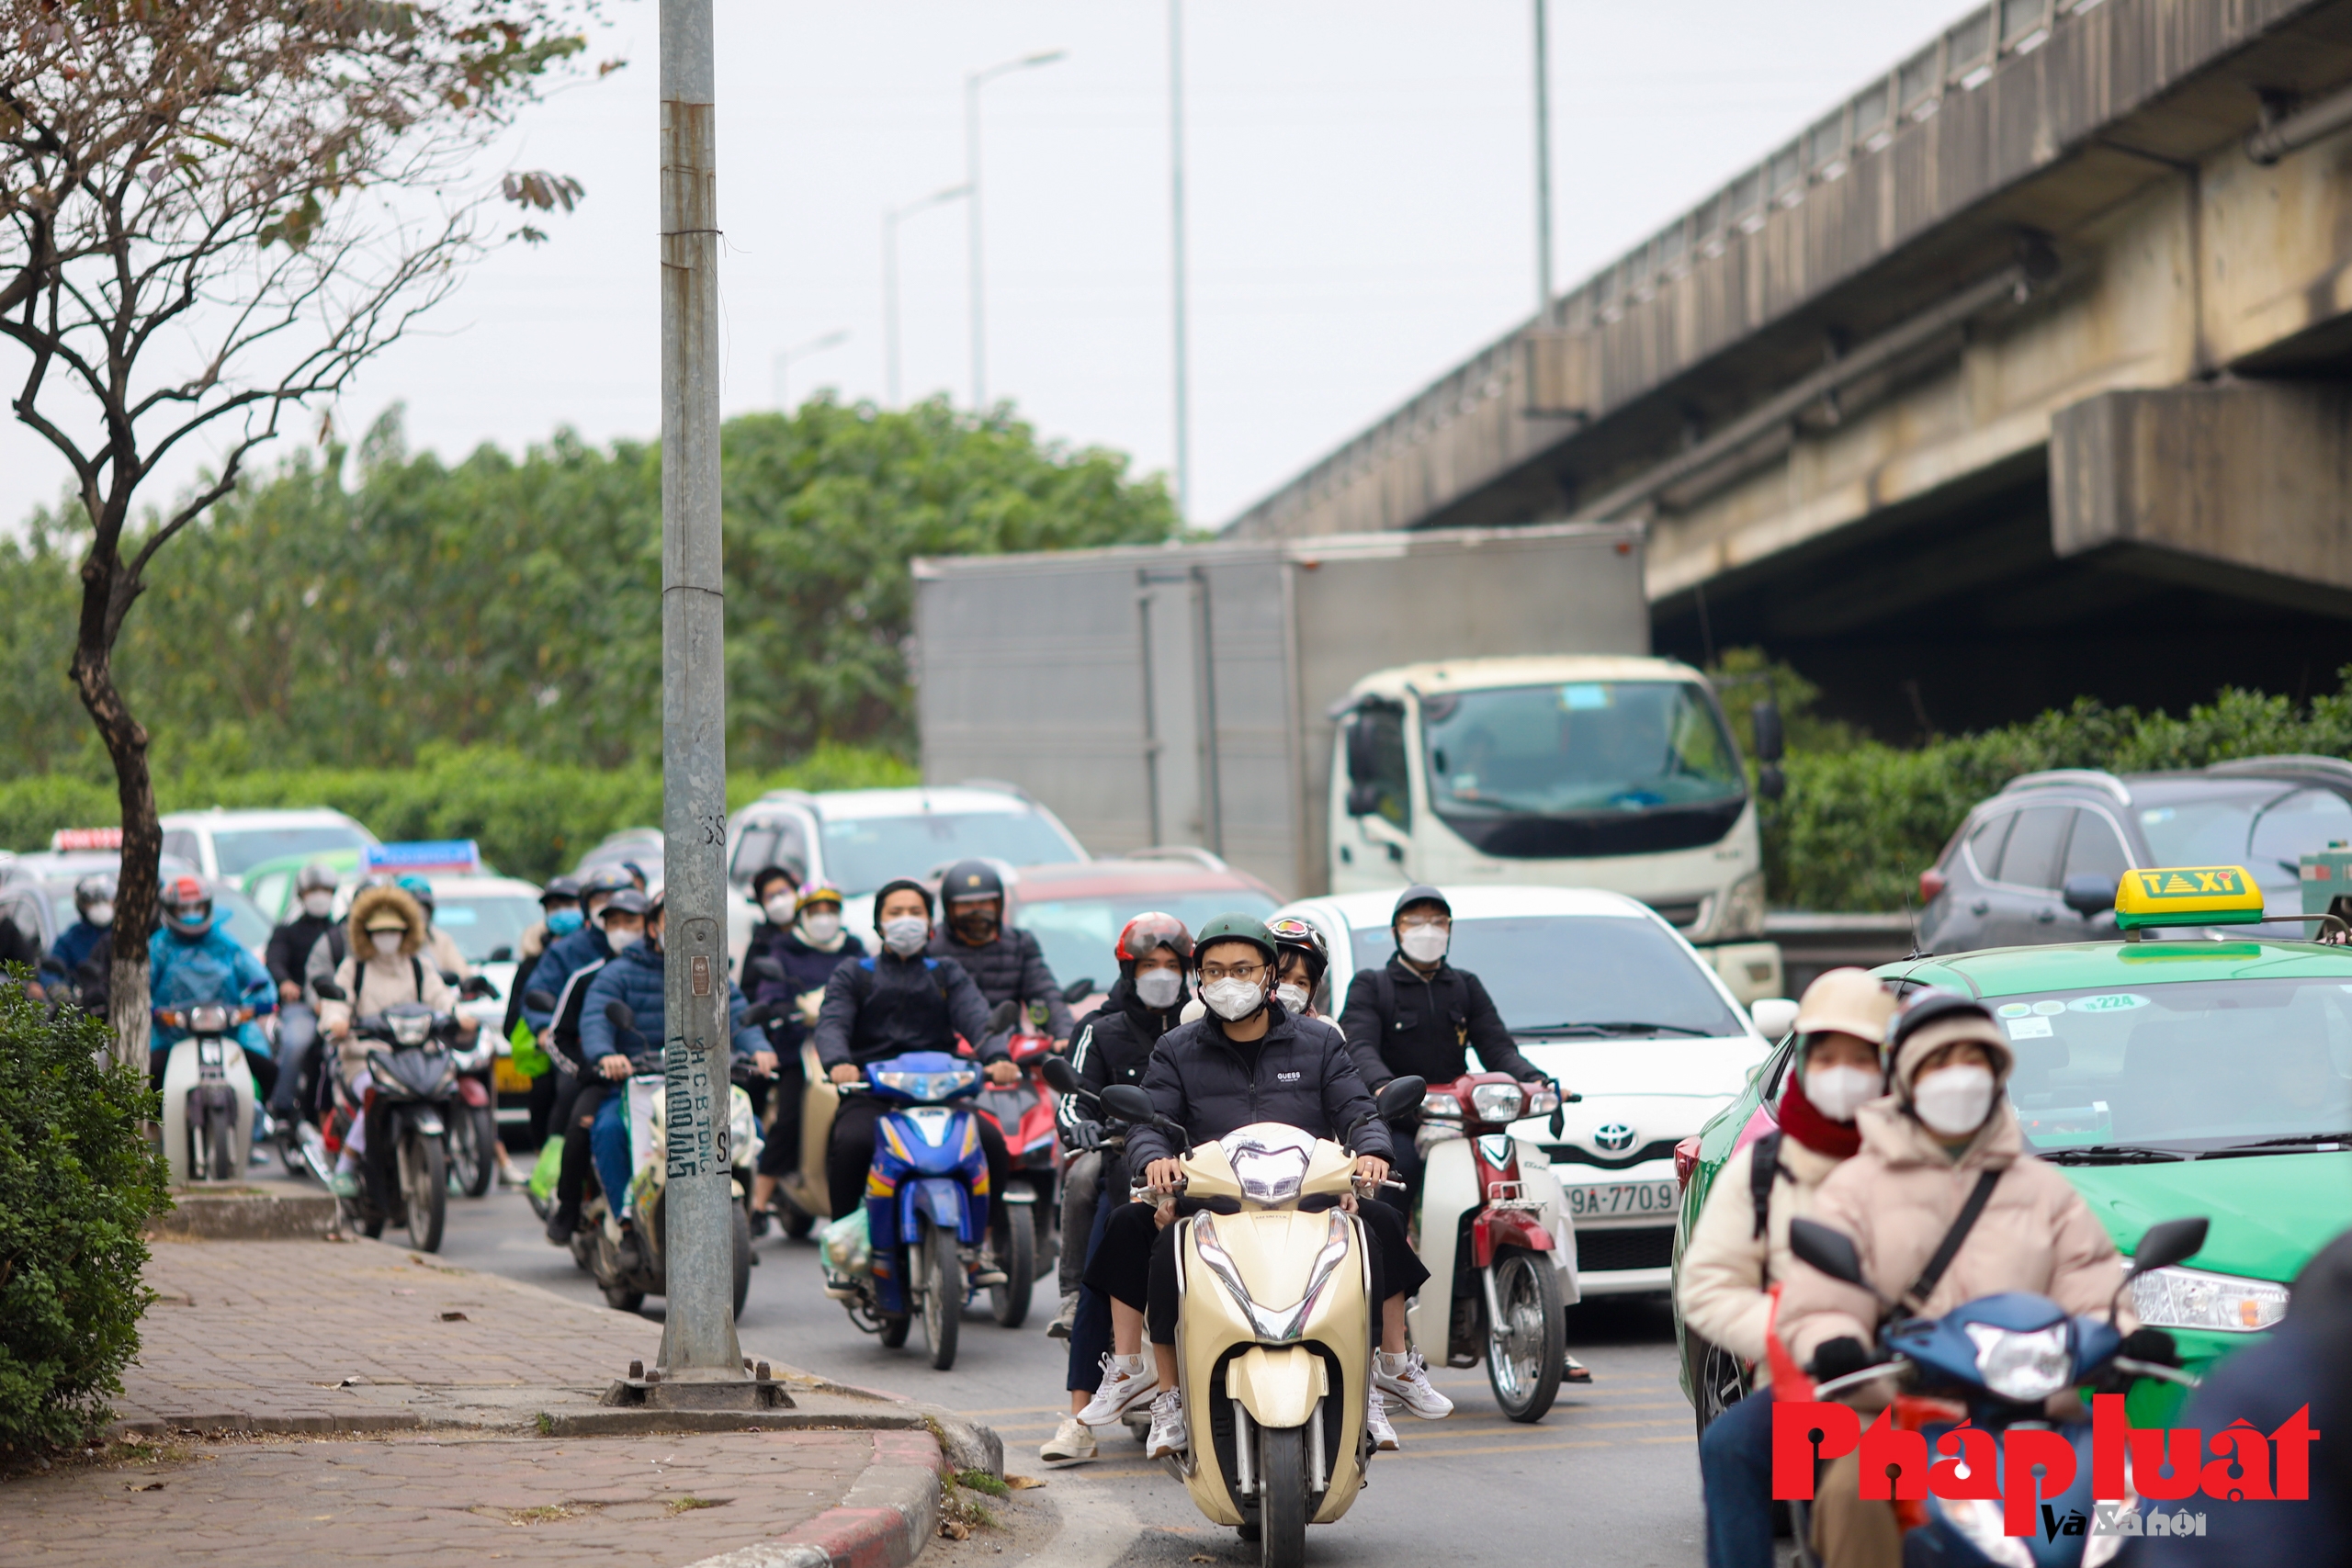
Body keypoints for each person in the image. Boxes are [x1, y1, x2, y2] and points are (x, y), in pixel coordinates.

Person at [1776, 988, 2169, 1568]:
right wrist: (1836, 1343)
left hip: (2040, 1417)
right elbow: (1820, 1304)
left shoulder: (2044, 1189)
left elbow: (2091, 1290)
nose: (1958, 1079)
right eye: (1939, 1063)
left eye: (1973, 1061)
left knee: (2152, 1500)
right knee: (1853, 1494)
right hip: (1904, 1415)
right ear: (1906, 1080)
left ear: (1996, 1076)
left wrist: (2126, 1335)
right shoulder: (1854, 1189)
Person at [1076, 914, 1443, 1462]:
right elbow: (1151, 1121)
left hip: (1309, 1200)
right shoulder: (1176, 1048)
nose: (1230, 981)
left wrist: (1371, 1152)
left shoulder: (1319, 1042)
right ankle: (1154, 1386)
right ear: (1199, 978)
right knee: (1134, 1227)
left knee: (1381, 1224)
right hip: (1213, 1204)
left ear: (1270, 973)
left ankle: (1381, 1374)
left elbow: (1358, 1110)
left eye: (1243, 969)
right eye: (1215, 970)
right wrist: (1154, 1161)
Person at [1675, 969, 1896, 1568]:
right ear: (1804, 1062)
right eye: (1828, 1057)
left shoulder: (1921, 1161)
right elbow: (1708, 1286)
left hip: (1922, 1377)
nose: (1844, 1072)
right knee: (1729, 1446)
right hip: (1810, 1384)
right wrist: (1794, 1337)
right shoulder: (1764, 1169)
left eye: (1860, 1057)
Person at [1038, 911, 1193, 1467]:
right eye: (1149, 965)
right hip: (1125, 1169)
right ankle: (1079, 1417)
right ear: (1129, 970)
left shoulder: (1201, 1025)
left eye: (1171, 964)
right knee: (1100, 1282)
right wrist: (1080, 1128)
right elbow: (1073, 1098)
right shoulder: (1100, 1029)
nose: (1161, 975)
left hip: (1203, 1171)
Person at [813, 877, 1022, 1280]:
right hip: (872, 1094)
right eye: (896, 912)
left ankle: (977, 1247)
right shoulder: (854, 973)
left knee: (992, 1143)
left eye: (915, 912)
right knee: (851, 1143)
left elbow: (977, 1016)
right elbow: (832, 1022)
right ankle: (845, 1249)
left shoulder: (946, 973)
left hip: (941, 1093)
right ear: (878, 924)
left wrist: (997, 1056)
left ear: (930, 924)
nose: (906, 920)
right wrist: (839, 1062)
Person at [1336, 886, 1549, 1220]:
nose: (1428, 930)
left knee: (1507, 1169)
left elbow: (1497, 1047)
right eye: (1414, 921)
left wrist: (1535, 1080)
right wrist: (1384, 1087)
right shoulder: (1373, 986)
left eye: (1438, 922)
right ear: (1396, 931)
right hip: (1400, 1119)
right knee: (1396, 1180)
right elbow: (1359, 1046)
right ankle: (1393, 1247)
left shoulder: (1465, 986)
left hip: (1461, 1117)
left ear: (1449, 930)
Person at [577, 890, 773, 1237]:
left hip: (700, 1085)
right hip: (636, 1084)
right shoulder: (618, 973)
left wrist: (758, 1048)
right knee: (609, 1130)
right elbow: (596, 1018)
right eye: (671, 920)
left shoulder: (709, 969)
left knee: (750, 1125)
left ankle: (741, 1215)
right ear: (653, 928)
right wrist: (606, 1054)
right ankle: (626, 1219)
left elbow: (737, 1013)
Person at [319, 884, 475, 1201]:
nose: (387, 937)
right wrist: (337, 1021)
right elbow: (337, 1004)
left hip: (416, 1055)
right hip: (366, 1058)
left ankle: (445, 1160)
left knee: (447, 1089)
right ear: (366, 933)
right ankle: (347, 1164)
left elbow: (440, 996)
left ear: (407, 931)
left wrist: (460, 1015)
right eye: (380, 931)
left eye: (394, 930)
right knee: (374, 1095)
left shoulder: (418, 965)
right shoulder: (354, 968)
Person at [743, 873, 864, 1232]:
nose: (824, 918)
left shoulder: (853, 950)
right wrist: (784, 1008)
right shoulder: (784, 950)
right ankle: (759, 1203)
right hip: (798, 1050)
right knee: (790, 1117)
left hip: (849, 1049)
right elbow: (769, 994)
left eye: (831, 910)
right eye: (816, 911)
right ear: (803, 915)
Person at [541, 886, 646, 1243]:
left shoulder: (671, 972)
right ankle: (569, 1206)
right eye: (613, 922)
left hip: (658, 1078)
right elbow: (557, 1038)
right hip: (603, 1082)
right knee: (582, 1129)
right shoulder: (587, 978)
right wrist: (590, 1069)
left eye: (630, 921)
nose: (622, 930)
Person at [149, 875, 278, 1104]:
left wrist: (260, 1001)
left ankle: (266, 1114)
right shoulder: (159, 946)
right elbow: (142, 985)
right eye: (183, 909)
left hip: (228, 1031)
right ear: (169, 910)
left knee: (269, 1071)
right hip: (172, 1035)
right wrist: (150, 1010)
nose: (191, 915)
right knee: (149, 1075)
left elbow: (259, 978)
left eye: (197, 908)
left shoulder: (226, 944)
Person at [928, 859, 1074, 1046]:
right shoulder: (931, 948)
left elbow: (1044, 992)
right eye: (966, 905)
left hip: (1010, 1048)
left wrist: (1064, 1033)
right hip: (950, 1051)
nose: (976, 912)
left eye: (984, 903)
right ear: (949, 908)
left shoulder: (1019, 943)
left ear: (998, 905)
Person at [503, 875, 582, 1148]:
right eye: (554, 907)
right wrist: (542, 1030)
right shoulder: (532, 965)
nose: (561, 912)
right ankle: (548, 1157)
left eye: (568, 904)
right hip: (551, 1052)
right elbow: (515, 1017)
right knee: (545, 1091)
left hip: (590, 1045)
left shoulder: (595, 952)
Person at [264, 863, 339, 1125]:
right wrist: (285, 983)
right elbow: (274, 961)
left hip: (336, 1006)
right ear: (301, 895)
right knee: (296, 1042)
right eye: (313, 890)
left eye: (325, 890)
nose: (320, 895)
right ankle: (282, 1108)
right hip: (301, 1007)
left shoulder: (338, 932)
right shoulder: (287, 932)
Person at [39, 873, 116, 1013]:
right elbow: (50, 970)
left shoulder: (125, 937)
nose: (100, 906)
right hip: (83, 1009)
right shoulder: (70, 939)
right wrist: (57, 988)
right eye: (92, 902)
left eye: (105, 900)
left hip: (119, 1004)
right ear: (81, 906)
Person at [396, 874, 472, 983]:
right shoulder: (390, 941)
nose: (420, 914)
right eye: (414, 909)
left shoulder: (440, 940)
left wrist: (470, 983)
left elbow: (461, 971)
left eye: (424, 908)